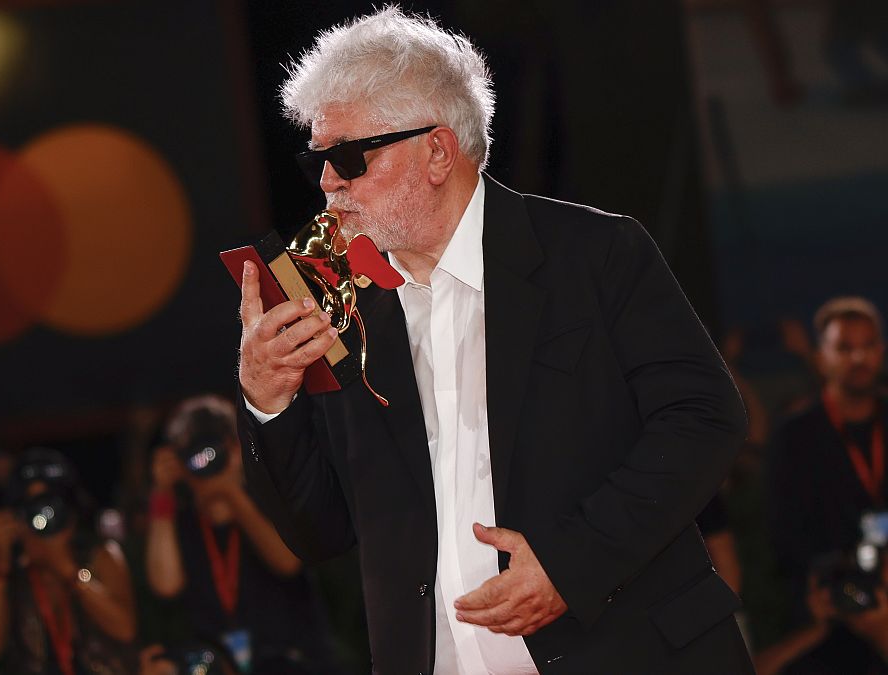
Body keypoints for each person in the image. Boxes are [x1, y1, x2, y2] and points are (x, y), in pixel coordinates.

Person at [235, 8, 750, 674]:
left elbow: (706, 418)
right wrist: (268, 403)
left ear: (438, 152)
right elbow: (321, 531)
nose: (330, 183)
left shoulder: (592, 254)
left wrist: (572, 566)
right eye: (318, 160)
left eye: (349, 157)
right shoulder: (346, 307)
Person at [145, 395, 335, 674]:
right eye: (193, 454)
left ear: (235, 448)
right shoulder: (183, 523)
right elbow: (165, 585)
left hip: (294, 662)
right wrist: (162, 493)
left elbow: (288, 562)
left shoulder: (271, 499)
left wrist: (231, 491)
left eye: (214, 448)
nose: (205, 462)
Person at [762, 296, 888, 673]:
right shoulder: (796, 434)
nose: (858, 358)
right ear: (821, 357)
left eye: (867, 346)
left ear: (881, 351)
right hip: (826, 608)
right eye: (845, 348)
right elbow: (786, 533)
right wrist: (825, 577)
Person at [0, 447, 136, 674]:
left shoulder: (100, 556)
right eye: (32, 508)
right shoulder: (13, 574)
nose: (43, 518)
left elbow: (124, 628)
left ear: (71, 510)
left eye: (51, 506)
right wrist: (1, 562)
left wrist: (69, 570)